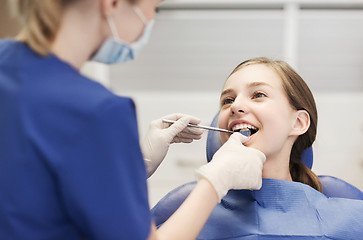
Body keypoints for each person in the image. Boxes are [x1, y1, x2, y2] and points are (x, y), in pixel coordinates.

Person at [0, 1, 267, 239]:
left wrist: (134, 164)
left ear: (300, 122)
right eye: (154, 8)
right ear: (112, 4)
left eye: (259, 95)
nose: (150, 21)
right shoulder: (97, 111)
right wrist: (215, 180)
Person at [151, 57, 363, 239]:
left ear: (298, 123)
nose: (235, 107)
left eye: (258, 95)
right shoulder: (177, 215)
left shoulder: (350, 217)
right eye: (228, 100)